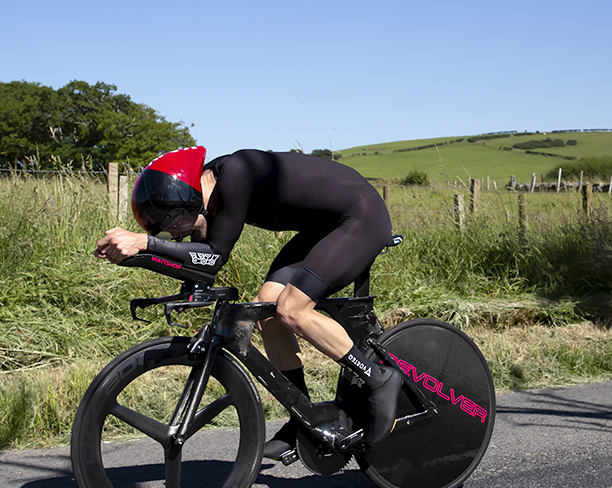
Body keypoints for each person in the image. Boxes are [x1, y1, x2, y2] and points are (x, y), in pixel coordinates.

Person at [94, 146, 402, 458]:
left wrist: (144, 243)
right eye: (167, 229)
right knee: (266, 308)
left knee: (291, 309)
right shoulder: (205, 202)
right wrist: (138, 257)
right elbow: (197, 265)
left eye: (174, 223)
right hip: (323, 229)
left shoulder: (236, 173)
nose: (176, 235)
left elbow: (212, 259)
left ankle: (380, 378)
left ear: (185, 199)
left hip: (360, 217)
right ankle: (303, 418)